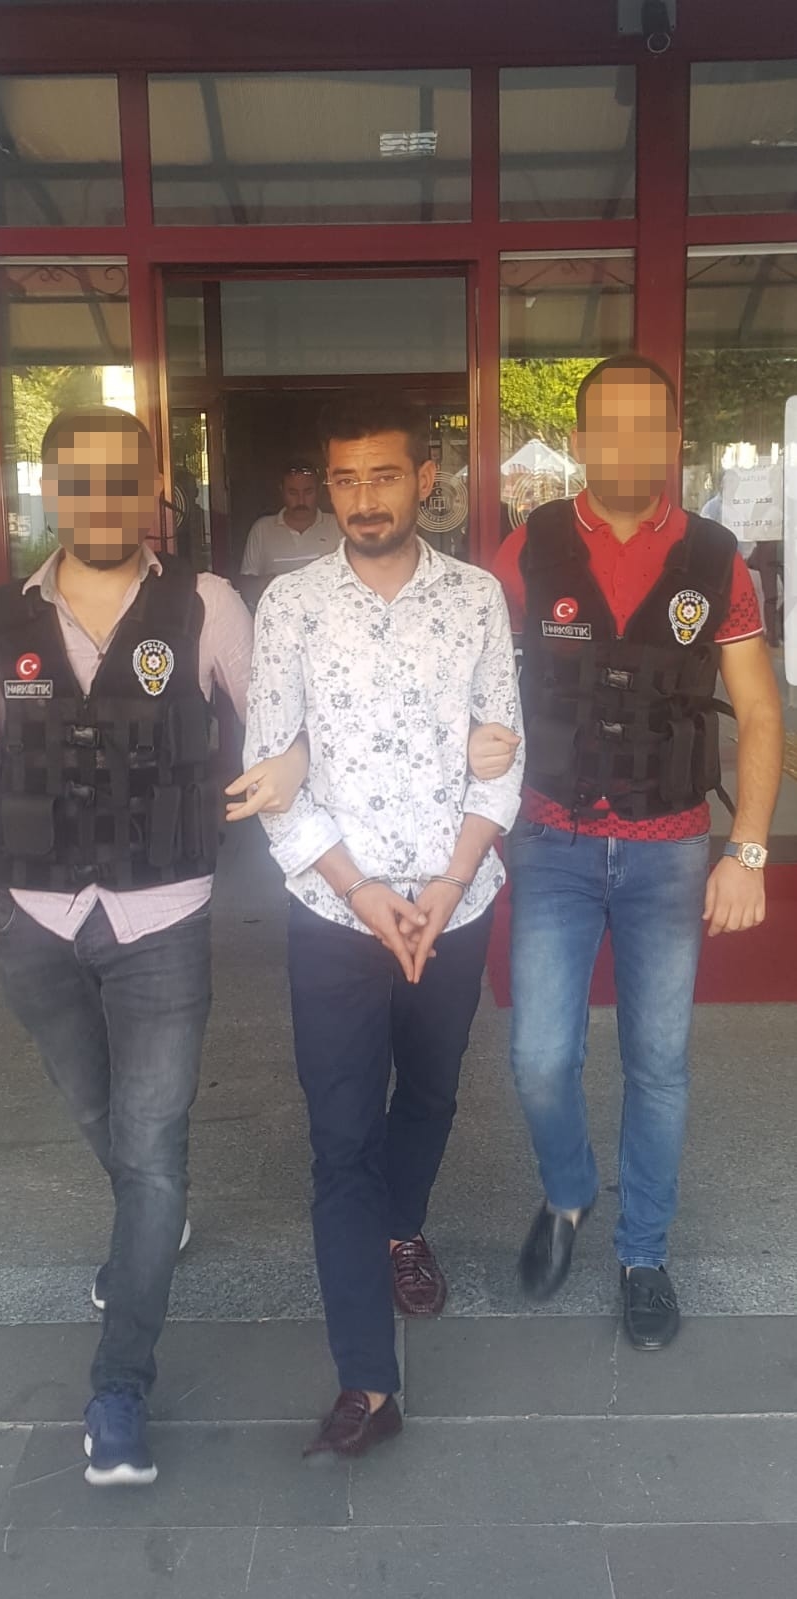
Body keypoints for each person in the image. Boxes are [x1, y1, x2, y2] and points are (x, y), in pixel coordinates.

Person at [0, 406, 306, 1487]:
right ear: (50, 492)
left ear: (151, 489)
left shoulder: (204, 604)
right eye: (79, 482)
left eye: (122, 480)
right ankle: (149, 1224)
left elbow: (275, 719)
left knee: (152, 1146)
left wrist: (297, 767)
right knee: (103, 1119)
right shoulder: (1, 616)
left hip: (162, 919)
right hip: (32, 924)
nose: (101, 501)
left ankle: (119, 1385)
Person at [477, 355, 782, 1350]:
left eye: (646, 424)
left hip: (667, 851)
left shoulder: (715, 557)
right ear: (578, 439)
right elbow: (467, 676)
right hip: (552, 840)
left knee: (657, 1062)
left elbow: (757, 711)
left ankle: (642, 1252)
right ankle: (567, 1191)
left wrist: (745, 850)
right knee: (538, 1057)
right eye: (605, 424)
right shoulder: (524, 548)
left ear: (669, 438)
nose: (625, 443)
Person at [240, 393, 523, 1459]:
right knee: (340, 1137)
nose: (363, 498)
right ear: (328, 486)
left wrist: (447, 886)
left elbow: (503, 753)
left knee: (433, 1091)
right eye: (346, 479)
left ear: (424, 481)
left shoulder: (476, 599)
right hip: (334, 913)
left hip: (454, 906)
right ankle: (366, 1378)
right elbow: (270, 773)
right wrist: (363, 893)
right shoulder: (292, 605)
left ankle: (403, 1226)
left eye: (384, 477)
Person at [238, 460, 341, 605]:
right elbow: (247, 586)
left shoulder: (338, 525)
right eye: (293, 493)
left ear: (319, 490)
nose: (301, 501)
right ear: (281, 490)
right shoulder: (262, 529)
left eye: (308, 492)